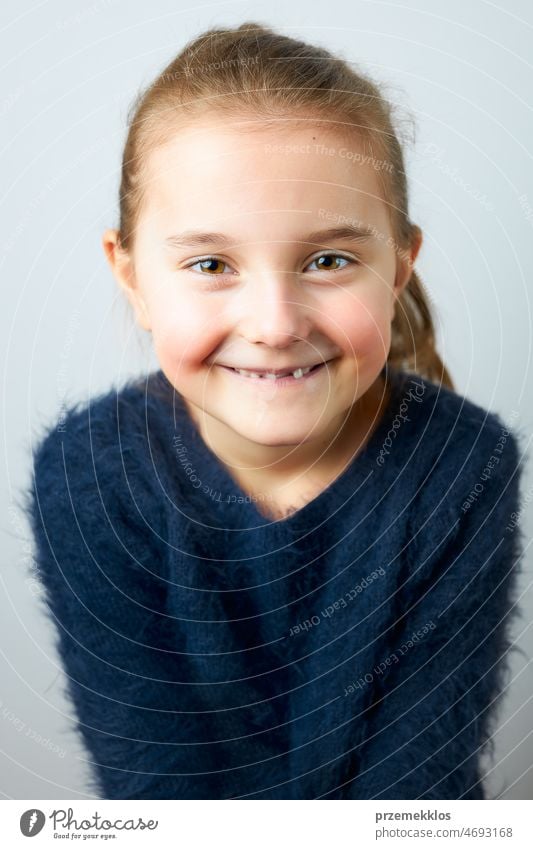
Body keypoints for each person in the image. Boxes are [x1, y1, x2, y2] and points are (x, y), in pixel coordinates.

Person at [23, 21, 526, 800]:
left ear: (397, 267)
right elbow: (160, 787)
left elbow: (415, 792)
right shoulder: (90, 470)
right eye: (211, 263)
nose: (275, 322)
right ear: (132, 278)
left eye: (328, 260)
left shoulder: (462, 464)